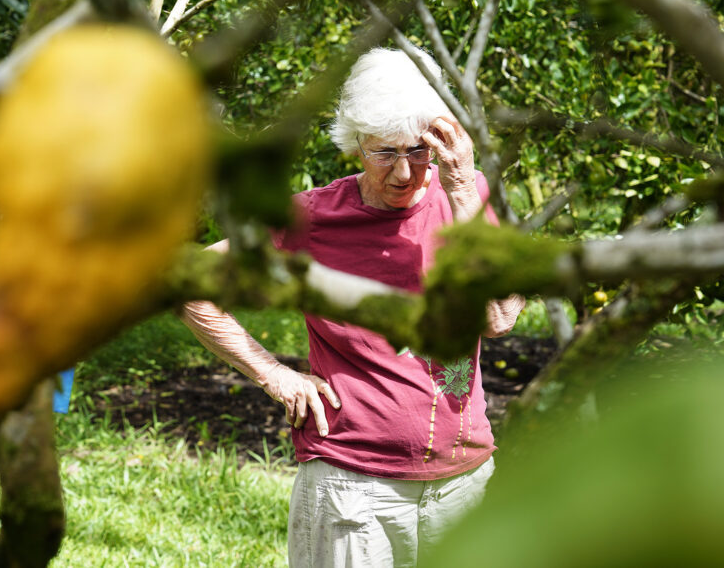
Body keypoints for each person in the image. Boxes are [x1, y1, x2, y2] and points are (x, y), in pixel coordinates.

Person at [180, 47, 525, 567]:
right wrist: (274, 375)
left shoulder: (465, 195)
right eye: (385, 153)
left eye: (418, 150)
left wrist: (459, 186)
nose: (405, 173)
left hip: (463, 486)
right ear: (356, 144)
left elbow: (499, 317)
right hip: (353, 488)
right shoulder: (312, 218)